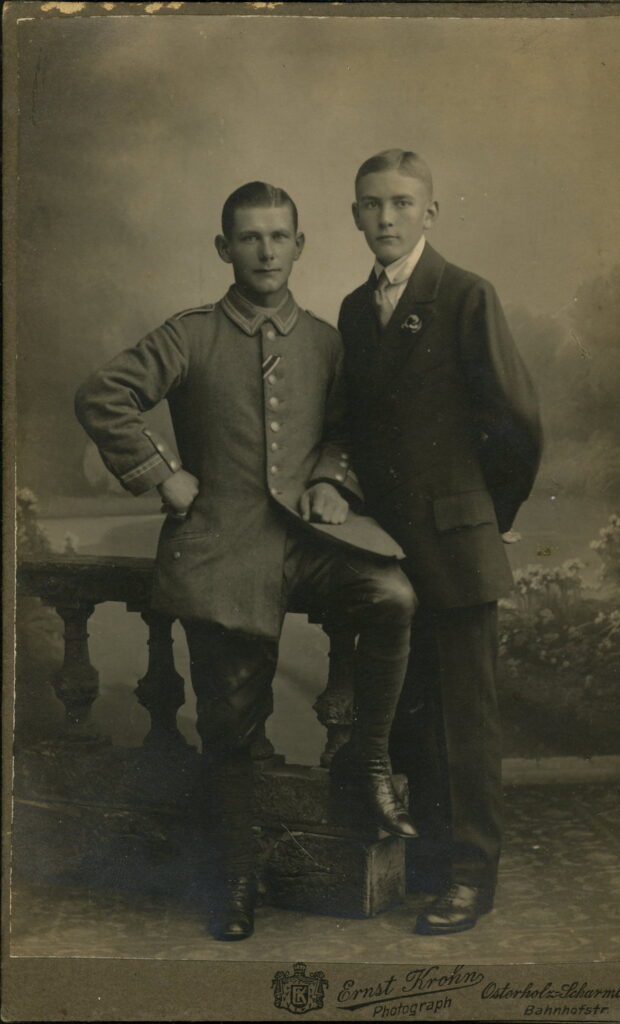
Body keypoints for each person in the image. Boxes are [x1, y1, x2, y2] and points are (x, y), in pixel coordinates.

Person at [75, 181, 418, 942]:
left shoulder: (327, 340)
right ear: (223, 248)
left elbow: (344, 431)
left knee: (392, 595)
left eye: (279, 237)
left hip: (306, 541)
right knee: (231, 726)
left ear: (300, 246)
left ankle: (365, 762)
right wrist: (163, 473)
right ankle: (234, 878)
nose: (266, 251)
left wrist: (329, 480)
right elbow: (104, 395)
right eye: (250, 238)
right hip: (220, 546)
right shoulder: (190, 334)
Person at [338, 150, 542, 935]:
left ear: (431, 212)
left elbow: (517, 425)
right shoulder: (358, 309)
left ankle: (470, 878)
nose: (384, 218)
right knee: (413, 716)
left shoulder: (463, 296)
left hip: (457, 542)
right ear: (353, 215)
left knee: (465, 721)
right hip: (388, 549)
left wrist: (485, 514)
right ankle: (425, 866)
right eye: (369, 204)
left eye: (399, 202)